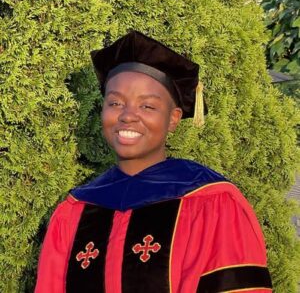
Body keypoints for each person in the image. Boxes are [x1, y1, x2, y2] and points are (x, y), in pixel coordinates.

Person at [35, 31, 272, 293]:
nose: (127, 116)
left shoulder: (212, 200)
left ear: (173, 119)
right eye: (115, 102)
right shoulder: (75, 210)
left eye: (147, 106)